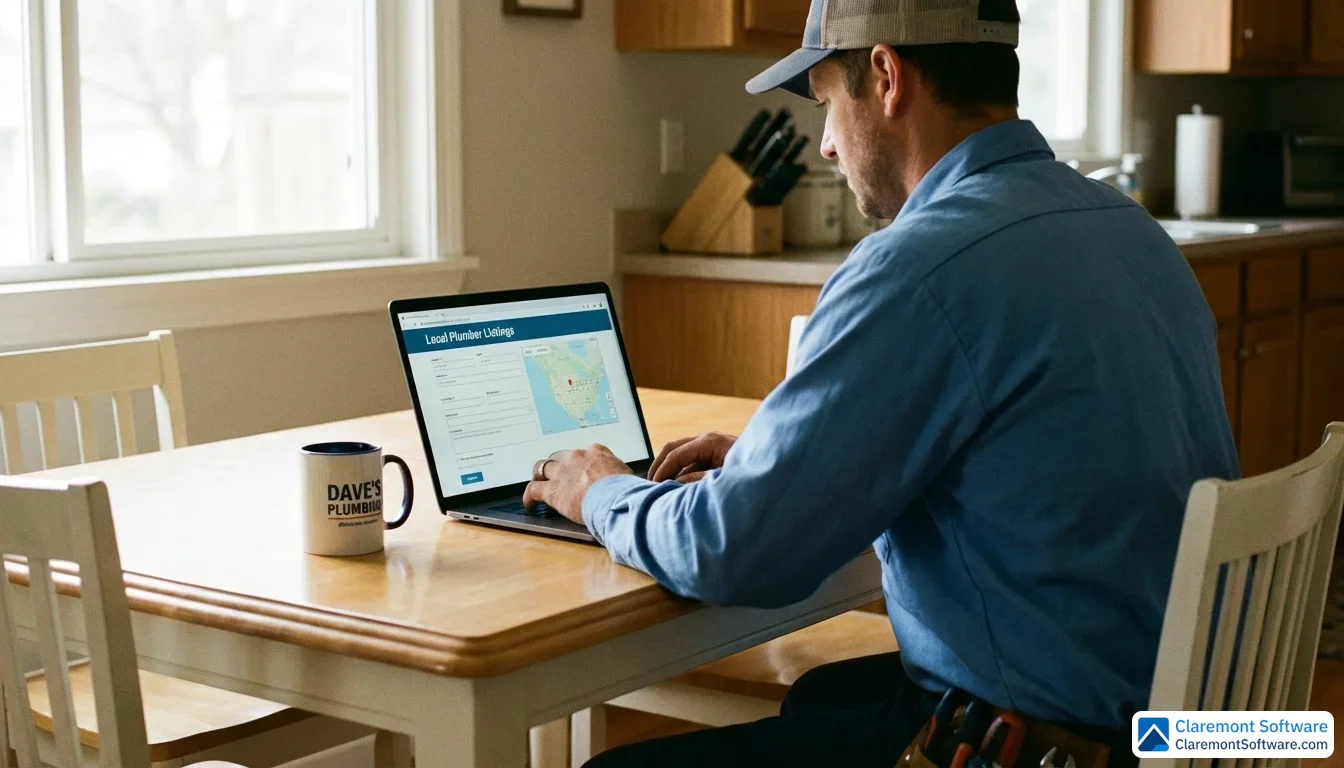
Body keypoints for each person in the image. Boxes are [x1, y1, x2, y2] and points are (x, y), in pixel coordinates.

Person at [521, 0, 1239, 765]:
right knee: (822, 697)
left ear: (888, 77)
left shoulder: (920, 265)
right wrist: (789, 463)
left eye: (828, 101)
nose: (826, 145)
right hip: (1175, 722)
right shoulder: (1123, 225)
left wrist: (599, 490)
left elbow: (735, 551)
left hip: (1047, 745)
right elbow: (1031, 462)